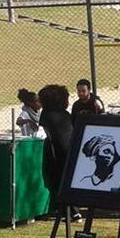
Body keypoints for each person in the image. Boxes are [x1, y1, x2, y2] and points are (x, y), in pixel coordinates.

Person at [38, 84, 81, 221]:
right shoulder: (65, 114)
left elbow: (45, 134)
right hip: (70, 151)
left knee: (58, 180)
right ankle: (69, 210)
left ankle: (70, 211)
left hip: (58, 153)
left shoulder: (47, 115)